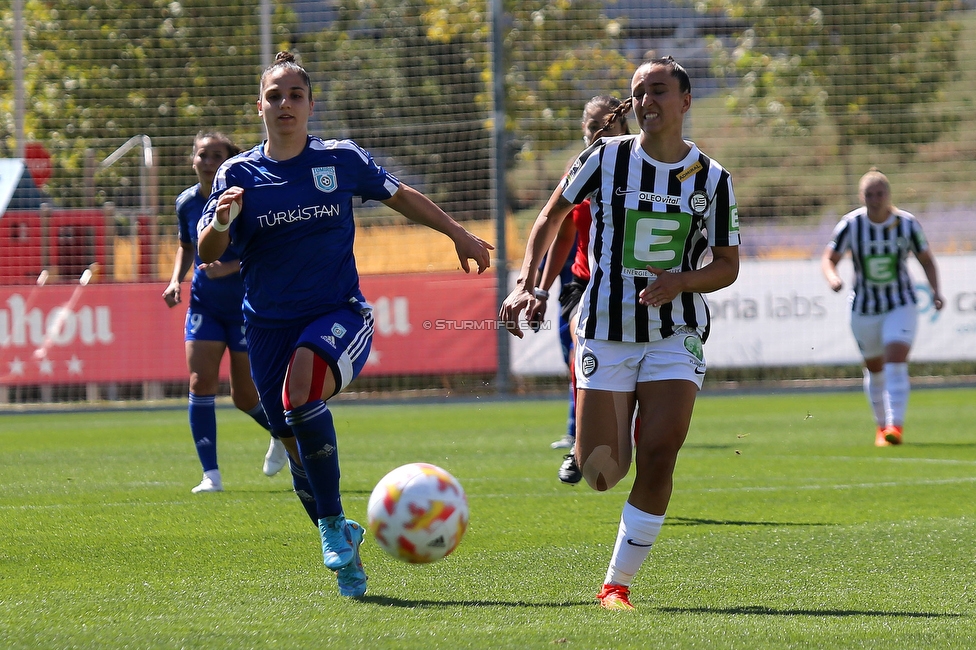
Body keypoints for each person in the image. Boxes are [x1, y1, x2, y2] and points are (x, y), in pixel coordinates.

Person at [197, 51, 492, 598]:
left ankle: (332, 525)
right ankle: (345, 547)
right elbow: (207, 249)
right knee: (293, 446)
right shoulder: (237, 174)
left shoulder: (340, 158)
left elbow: (401, 197)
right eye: (275, 95)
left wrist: (458, 234)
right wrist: (220, 220)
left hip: (338, 314)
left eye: (296, 95)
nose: (285, 104)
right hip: (264, 326)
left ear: (311, 104)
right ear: (259, 106)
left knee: (303, 390)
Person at [500, 56, 740, 610]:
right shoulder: (603, 159)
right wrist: (529, 286)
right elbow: (550, 217)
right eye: (639, 93)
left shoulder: (714, 179)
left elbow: (726, 265)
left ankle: (616, 585)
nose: (647, 100)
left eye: (659, 90)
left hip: (674, 332)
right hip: (605, 332)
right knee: (602, 472)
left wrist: (680, 281)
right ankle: (613, 420)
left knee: (661, 451)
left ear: (684, 101)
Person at [163, 131, 286, 494]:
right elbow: (187, 246)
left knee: (245, 396)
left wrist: (228, 268)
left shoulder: (243, 198)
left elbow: (263, 249)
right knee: (200, 381)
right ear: (193, 160)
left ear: (228, 160)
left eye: (216, 155)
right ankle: (210, 475)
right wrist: (176, 281)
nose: (208, 161)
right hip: (205, 304)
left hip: (247, 306)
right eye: (202, 154)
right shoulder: (186, 202)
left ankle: (282, 434)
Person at [537, 95, 631, 484]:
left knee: (620, 365)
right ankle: (580, 445)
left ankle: (615, 437)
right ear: (583, 130)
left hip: (628, 282)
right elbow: (562, 232)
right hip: (583, 282)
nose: (601, 134)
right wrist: (540, 290)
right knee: (579, 354)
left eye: (609, 127)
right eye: (594, 127)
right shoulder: (578, 170)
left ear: (626, 129)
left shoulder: (641, 168)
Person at [821, 168, 944, 447]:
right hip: (864, 308)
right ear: (861, 196)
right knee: (874, 369)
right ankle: (881, 428)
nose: (875, 199)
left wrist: (936, 290)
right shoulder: (851, 225)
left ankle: (895, 426)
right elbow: (829, 258)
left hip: (900, 303)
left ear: (889, 195)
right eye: (869, 194)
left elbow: (926, 259)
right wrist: (833, 278)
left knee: (895, 360)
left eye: (880, 194)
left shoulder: (907, 224)